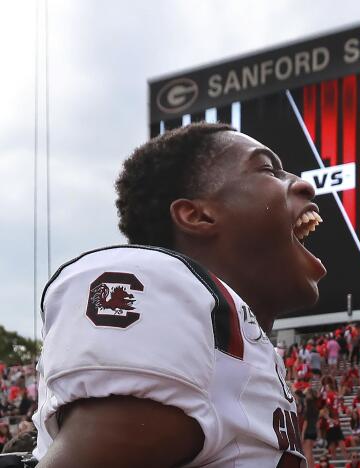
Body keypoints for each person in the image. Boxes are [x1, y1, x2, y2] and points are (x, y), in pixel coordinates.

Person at [33, 123, 328, 467]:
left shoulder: (242, 344)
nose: (304, 184)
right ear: (198, 214)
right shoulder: (161, 287)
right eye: (266, 169)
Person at [302, 388, 320, 468]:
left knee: (307, 452)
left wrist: (302, 434)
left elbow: (306, 422)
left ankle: (309, 467)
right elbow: (317, 423)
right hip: (314, 431)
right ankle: (312, 466)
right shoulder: (316, 406)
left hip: (308, 431)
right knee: (310, 452)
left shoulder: (308, 407)